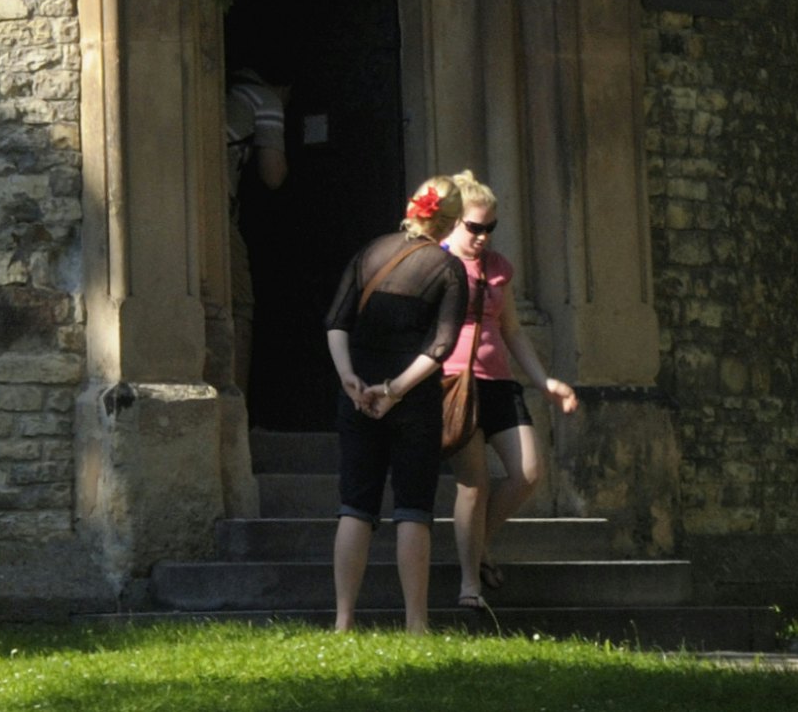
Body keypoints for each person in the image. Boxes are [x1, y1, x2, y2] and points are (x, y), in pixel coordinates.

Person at [323, 175, 470, 634]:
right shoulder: (448, 270)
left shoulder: (371, 253)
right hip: (412, 400)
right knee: (412, 508)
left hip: (357, 395)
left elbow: (337, 321)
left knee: (355, 506)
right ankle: (416, 622)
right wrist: (395, 390)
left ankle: (344, 620)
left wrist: (350, 377)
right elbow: (441, 346)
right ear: (450, 223)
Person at [442, 172, 579, 620]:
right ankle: (467, 582)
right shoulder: (435, 262)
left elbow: (512, 328)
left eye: (489, 228)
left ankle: (478, 548)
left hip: (499, 382)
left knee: (528, 472)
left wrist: (545, 382)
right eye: (473, 227)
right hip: (454, 384)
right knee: (473, 484)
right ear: (455, 222)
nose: (481, 238)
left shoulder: (499, 267)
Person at [222, 66, 289, 397]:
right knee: (239, 306)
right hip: (218, 208)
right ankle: (237, 409)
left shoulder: (230, 90)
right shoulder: (265, 100)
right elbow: (273, 175)